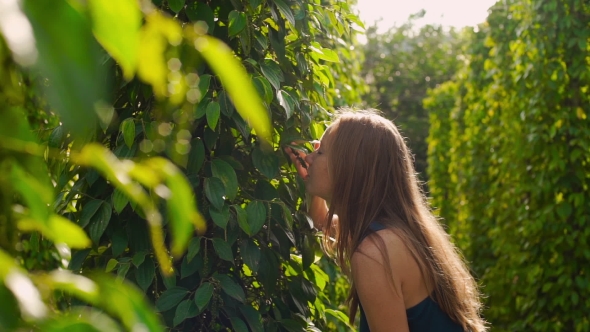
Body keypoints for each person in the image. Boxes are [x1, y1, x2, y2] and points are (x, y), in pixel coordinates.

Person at [284, 110, 487, 332]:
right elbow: (322, 222)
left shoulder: (375, 253)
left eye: (320, 152)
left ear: (350, 167)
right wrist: (313, 181)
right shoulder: (393, 230)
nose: (309, 158)